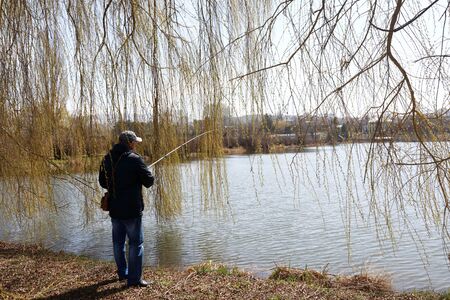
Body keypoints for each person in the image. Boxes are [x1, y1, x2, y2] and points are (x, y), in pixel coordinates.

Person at [99, 130, 154, 287]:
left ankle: (123, 274)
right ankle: (134, 279)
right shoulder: (134, 159)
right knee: (136, 243)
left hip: (115, 209)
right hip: (131, 210)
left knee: (118, 243)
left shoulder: (107, 158)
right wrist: (143, 173)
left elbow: (102, 182)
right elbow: (149, 181)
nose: (136, 144)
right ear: (129, 143)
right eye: (135, 142)